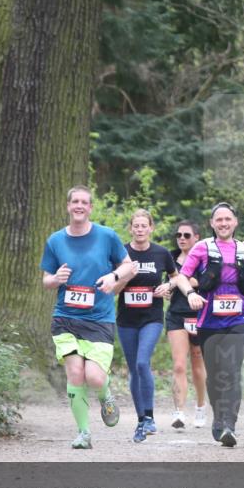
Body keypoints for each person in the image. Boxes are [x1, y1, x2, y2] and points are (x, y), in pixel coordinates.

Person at [170, 202, 244, 447]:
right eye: (219, 220)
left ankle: (230, 425)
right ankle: (219, 417)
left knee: (232, 370)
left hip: (239, 319)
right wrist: (190, 294)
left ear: (235, 222)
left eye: (228, 219)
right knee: (215, 374)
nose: (224, 223)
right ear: (212, 223)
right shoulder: (202, 248)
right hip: (209, 321)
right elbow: (182, 277)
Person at [40, 185, 135, 450]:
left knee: (94, 377)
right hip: (65, 318)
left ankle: (105, 394)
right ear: (68, 206)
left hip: (99, 319)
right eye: (75, 202)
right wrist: (55, 278)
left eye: (84, 202)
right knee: (75, 373)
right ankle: (83, 433)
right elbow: (46, 280)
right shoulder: (55, 240)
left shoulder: (107, 236)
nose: (79, 206)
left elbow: (129, 266)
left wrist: (113, 277)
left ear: (90, 207)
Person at [115, 209, 177, 443]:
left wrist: (167, 287)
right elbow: (113, 289)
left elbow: (176, 277)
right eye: (136, 226)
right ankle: (141, 420)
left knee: (143, 363)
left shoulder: (161, 253)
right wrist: (124, 278)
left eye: (144, 226)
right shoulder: (121, 253)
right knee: (134, 370)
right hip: (126, 320)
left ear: (151, 228)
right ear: (130, 228)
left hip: (152, 318)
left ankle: (149, 416)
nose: (140, 230)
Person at [165, 220, 208, 430]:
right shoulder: (170, 258)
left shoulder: (204, 258)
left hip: (199, 315)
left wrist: (175, 281)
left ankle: (200, 406)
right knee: (179, 365)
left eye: (187, 235)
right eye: (179, 235)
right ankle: (179, 412)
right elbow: (167, 284)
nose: (182, 238)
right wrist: (166, 290)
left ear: (196, 237)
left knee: (198, 364)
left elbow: (201, 282)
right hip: (176, 316)